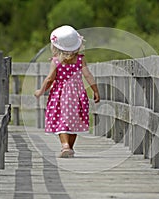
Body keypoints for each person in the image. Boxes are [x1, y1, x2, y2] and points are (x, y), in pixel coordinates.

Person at [34, 25, 100, 158]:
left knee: (62, 120)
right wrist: (95, 90)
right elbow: (88, 75)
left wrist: (40, 91)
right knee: (74, 121)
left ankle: (65, 146)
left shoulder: (56, 61)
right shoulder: (80, 59)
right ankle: (70, 147)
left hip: (61, 94)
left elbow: (49, 79)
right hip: (78, 94)